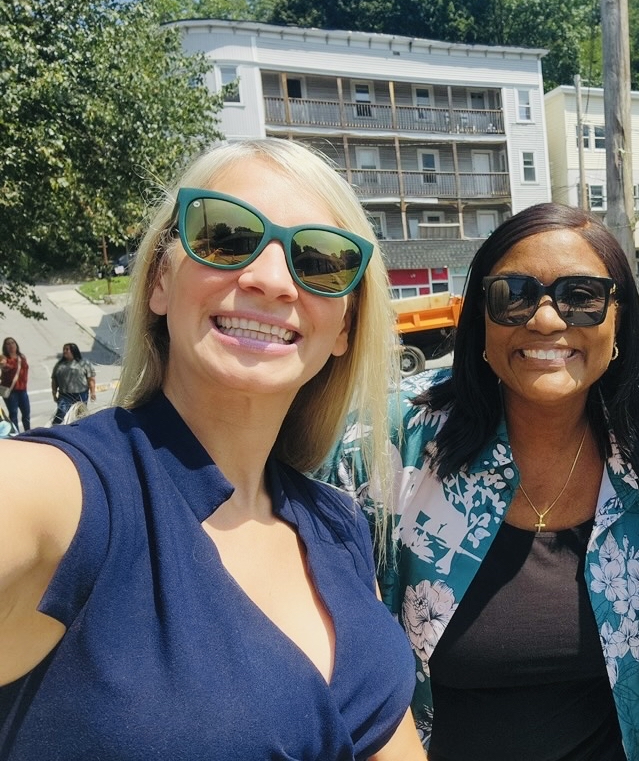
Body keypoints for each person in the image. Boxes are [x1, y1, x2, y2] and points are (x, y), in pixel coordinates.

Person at [0, 138, 424, 760]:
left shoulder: (340, 527)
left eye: (321, 260)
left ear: (345, 328)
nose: (274, 281)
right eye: (226, 235)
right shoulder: (67, 494)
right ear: (161, 282)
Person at [319, 202, 639, 760]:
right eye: (514, 294)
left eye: (582, 297)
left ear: (618, 318)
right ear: (479, 316)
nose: (547, 320)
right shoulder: (390, 441)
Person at [50, 342, 96, 424]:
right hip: (65, 395)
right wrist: (54, 393)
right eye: (64, 349)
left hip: (81, 394)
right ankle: (54, 430)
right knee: (61, 413)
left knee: (81, 415)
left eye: (67, 349)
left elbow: (91, 379)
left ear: (73, 351)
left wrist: (93, 392)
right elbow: (54, 380)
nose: (64, 351)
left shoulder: (84, 363)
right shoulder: (60, 365)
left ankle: (81, 432)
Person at [1, 336, 30, 431]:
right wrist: (3, 364)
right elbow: (3, 364)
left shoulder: (21, 357)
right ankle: (16, 435)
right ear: (5, 347)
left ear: (16, 344)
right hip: (11, 391)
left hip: (22, 390)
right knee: (13, 414)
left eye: (12, 343)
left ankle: (29, 432)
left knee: (26, 414)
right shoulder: (4, 358)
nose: (11, 345)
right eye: (8, 344)